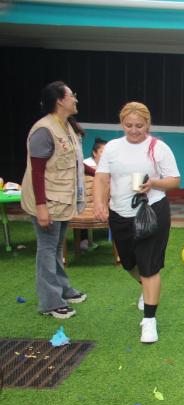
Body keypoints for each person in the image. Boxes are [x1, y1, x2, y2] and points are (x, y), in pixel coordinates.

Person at [94, 102, 181, 343]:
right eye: (129, 125)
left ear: (148, 124)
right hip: (120, 212)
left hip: (152, 211)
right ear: (122, 124)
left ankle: (150, 321)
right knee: (129, 263)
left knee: (149, 265)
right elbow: (101, 178)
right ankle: (147, 289)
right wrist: (100, 203)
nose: (134, 130)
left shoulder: (158, 148)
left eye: (139, 126)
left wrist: (153, 183)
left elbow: (174, 180)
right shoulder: (112, 148)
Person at [20, 81, 87, 319]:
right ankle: (50, 302)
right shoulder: (44, 130)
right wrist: (41, 208)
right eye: (72, 95)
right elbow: (37, 171)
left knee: (57, 246)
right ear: (60, 100)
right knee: (47, 249)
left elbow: (75, 163)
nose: (75, 99)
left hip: (62, 199)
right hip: (46, 201)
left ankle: (63, 290)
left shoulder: (66, 126)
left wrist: (101, 172)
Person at [80, 137, 107, 250]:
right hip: (85, 198)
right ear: (94, 153)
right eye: (102, 152)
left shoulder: (109, 165)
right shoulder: (86, 164)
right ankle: (84, 240)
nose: (105, 155)